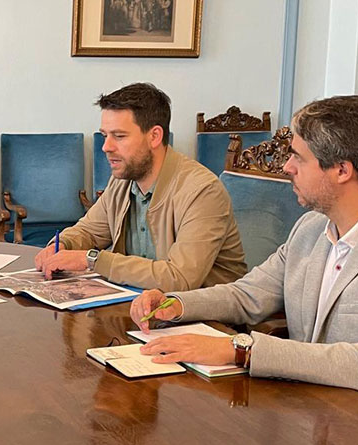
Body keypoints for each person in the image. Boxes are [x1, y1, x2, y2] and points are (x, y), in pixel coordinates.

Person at [130, 95, 358, 407]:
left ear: (342, 170)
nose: (287, 167)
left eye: (298, 157)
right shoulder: (310, 229)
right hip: (316, 410)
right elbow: (247, 296)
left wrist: (240, 351)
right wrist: (175, 304)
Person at [34, 83, 246, 290]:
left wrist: (93, 260)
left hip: (202, 319)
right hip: (141, 309)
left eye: (119, 136)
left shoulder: (202, 191)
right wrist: (63, 245)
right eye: (105, 135)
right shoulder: (122, 178)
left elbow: (180, 278)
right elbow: (89, 231)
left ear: (154, 136)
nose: (106, 147)